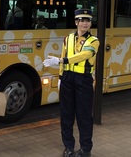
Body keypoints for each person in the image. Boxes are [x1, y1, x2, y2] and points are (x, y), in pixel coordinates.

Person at [43, 9, 99, 157]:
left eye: (88, 20)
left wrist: (62, 61)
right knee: (66, 115)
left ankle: (85, 149)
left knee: (84, 116)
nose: (85, 23)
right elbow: (63, 54)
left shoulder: (94, 41)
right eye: (82, 20)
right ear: (76, 22)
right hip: (68, 78)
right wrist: (61, 77)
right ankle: (68, 147)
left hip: (84, 80)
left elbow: (84, 55)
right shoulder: (68, 38)